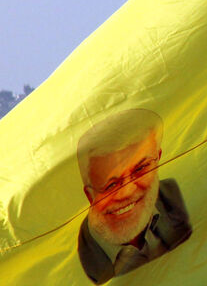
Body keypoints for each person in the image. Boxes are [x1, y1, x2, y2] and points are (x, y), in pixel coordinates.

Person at [75, 109, 191, 284]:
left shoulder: (178, 199)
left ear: (158, 158)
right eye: (111, 185)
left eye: (140, 168)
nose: (128, 191)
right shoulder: (86, 255)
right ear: (90, 195)